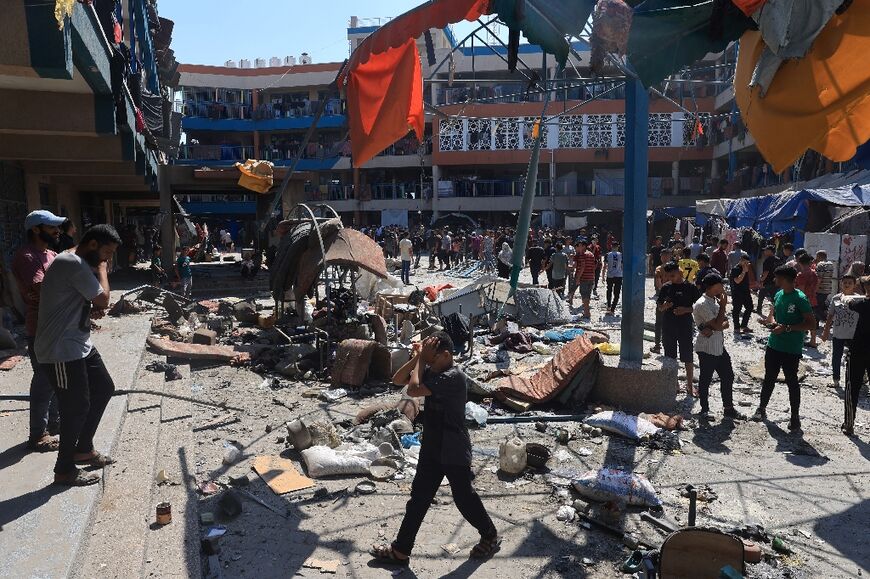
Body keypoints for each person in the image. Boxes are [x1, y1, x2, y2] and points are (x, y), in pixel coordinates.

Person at [372, 333, 499, 565]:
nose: (428, 362)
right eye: (427, 358)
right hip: (432, 446)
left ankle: (490, 535)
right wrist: (419, 357)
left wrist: (421, 359)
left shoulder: (453, 377)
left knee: (464, 498)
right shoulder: (434, 370)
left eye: (433, 356)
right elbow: (398, 379)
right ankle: (401, 550)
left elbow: (413, 389)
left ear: (446, 355)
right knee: (419, 498)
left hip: (453, 447)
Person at [36, 224, 121, 486]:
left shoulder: (78, 263)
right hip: (60, 349)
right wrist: (103, 272)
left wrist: (88, 309)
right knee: (75, 407)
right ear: (92, 244)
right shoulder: (72, 262)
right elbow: (104, 298)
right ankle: (64, 470)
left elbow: (86, 301)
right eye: (106, 253)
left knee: (104, 387)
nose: (107, 260)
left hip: (79, 343)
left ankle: (83, 448)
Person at [11, 210, 64, 453]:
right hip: (41, 327)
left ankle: (54, 424)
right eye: (52, 227)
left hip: (59, 325)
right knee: (44, 381)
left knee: (55, 380)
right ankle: (38, 434)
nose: (57, 231)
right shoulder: (27, 256)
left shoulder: (51, 255)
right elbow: (41, 289)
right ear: (35, 229)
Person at [753, 266, 815, 431]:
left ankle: (795, 417)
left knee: (792, 381)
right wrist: (769, 323)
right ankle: (762, 408)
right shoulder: (779, 294)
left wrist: (786, 328)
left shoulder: (800, 298)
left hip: (791, 347)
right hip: (774, 344)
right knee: (769, 378)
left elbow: (811, 323)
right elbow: (776, 317)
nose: (774, 280)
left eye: (777, 277)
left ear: (785, 279)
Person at [693, 273, 746, 421]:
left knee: (728, 376)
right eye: (719, 285)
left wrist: (717, 324)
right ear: (711, 287)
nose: (722, 287)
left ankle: (728, 408)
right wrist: (721, 311)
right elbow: (718, 324)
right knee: (706, 379)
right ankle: (704, 409)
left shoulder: (715, 301)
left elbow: (725, 323)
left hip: (719, 346)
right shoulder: (702, 303)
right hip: (707, 348)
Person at [658, 261, 701, 397]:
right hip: (669, 325)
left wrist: (686, 310)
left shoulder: (690, 287)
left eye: (673, 275)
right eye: (668, 276)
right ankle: (674, 384)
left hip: (685, 324)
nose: (671, 278)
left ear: (679, 272)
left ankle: (689, 385)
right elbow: (659, 307)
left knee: (687, 355)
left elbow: (699, 307)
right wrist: (665, 306)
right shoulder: (666, 287)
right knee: (670, 356)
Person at [843, 276, 870, 436]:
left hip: (858, 350)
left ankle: (849, 423)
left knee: (852, 387)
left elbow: (847, 301)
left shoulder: (858, 304)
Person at [821, 274, 859, 389]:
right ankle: (836, 380)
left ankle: (855, 380)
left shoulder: (859, 299)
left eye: (849, 283)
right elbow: (830, 315)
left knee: (855, 358)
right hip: (838, 333)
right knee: (836, 357)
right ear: (841, 283)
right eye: (845, 282)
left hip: (854, 334)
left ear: (854, 285)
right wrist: (826, 330)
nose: (847, 285)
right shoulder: (836, 298)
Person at [651, 248, 673, 354]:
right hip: (674, 299)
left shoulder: (659, 269)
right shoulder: (676, 269)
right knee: (672, 323)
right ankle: (670, 347)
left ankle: (657, 346)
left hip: (662, 299)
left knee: (659, 323)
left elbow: (658, 285)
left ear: (661, 257)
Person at [795, 253, 820, 348]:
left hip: (804, 300)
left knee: (801, 321)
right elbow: (817, 286)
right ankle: (813, 341)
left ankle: (799, 339)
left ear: (799, 262)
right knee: (812, 321)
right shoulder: (814, 273)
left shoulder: (801, 275)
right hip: (813, 299)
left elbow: (801, 290)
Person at [569, 239, 595, 319]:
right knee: (587, 295)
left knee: (584, 296)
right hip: (591, 277)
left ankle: (587, 313)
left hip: (584, 278)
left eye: (579, 245)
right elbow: (594, 265)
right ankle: (586, 312)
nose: (578, 247)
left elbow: (582, 267)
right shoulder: (591, 254)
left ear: (583, 246)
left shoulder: (582, 254)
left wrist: (578, 278)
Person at [729, 252, 754, 334]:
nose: (746, 264)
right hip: (737, 292)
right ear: (741, 260)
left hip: (746, 291)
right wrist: (743, 271)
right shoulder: (735, 269)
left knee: (750, 307)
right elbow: (737, 281)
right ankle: (736, 327)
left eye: (748, 263)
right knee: (737, 309)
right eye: (745, 262)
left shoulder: (746, 268)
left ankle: (744, 325)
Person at [756, 246, 780, 317]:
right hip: (776, 282)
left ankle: (759, 310)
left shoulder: (767, 260)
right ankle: (776, 312)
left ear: (770, 251)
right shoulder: (778, 260)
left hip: (767, 282)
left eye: (766, 250)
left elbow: (766, 272)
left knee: (761, 296)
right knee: (774, 298)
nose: (764, 252)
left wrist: (761, 280)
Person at [814, 250, 835, 324]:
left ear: (819, 256)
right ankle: (816, 323)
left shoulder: (820, 264)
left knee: (816, 307)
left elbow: (819, 279)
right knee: (821, 306)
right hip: (828, 288)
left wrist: (815, 290)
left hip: (820, 289)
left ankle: (827, 320)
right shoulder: (830, 264)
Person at [603, 242, 623, 315]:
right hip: (618, 275)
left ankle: (608, 306)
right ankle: (612, 309)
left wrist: (602, 276)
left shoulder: (608, 254)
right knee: (617, 293)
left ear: (611, 246)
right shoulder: (621, 255)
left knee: (609, 290)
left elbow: (605, 266)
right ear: (618, 247)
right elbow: (622, 266)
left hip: (610, 275)